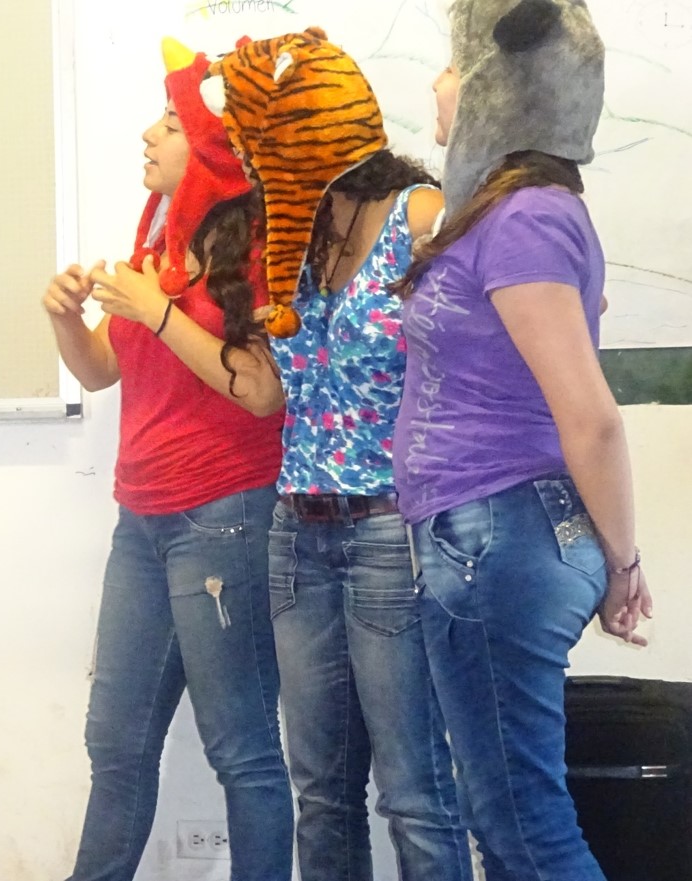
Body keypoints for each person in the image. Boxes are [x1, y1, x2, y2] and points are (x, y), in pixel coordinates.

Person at [394, 2, 649, 878]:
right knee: (509, 821)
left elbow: (594, 417)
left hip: (499, 537)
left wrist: (625, 563)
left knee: (521, 825)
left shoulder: (526, 217)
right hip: (491, 535)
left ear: (500, 84)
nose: (438, 84)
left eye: (453, 67)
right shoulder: (507, 213)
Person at [218, 29, 471, 880]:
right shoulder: (290, 243)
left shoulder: (419, 217)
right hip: (296, 529)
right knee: (321, 791)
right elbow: (275, 393)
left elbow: (503, 328)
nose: (254, 164)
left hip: (390, 533)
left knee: (415, 791)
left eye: (263, 144)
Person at [48, 37, 293, 881]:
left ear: (215, 148)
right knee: (114, 742)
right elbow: (100, 369)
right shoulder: (155, 238)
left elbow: (262, 391)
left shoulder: (257, 249)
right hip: (142, 519)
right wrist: (65, 319)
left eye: (170, 123)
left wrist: (157, 311)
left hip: (226, 517)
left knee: (243, 751)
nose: (148, 137)